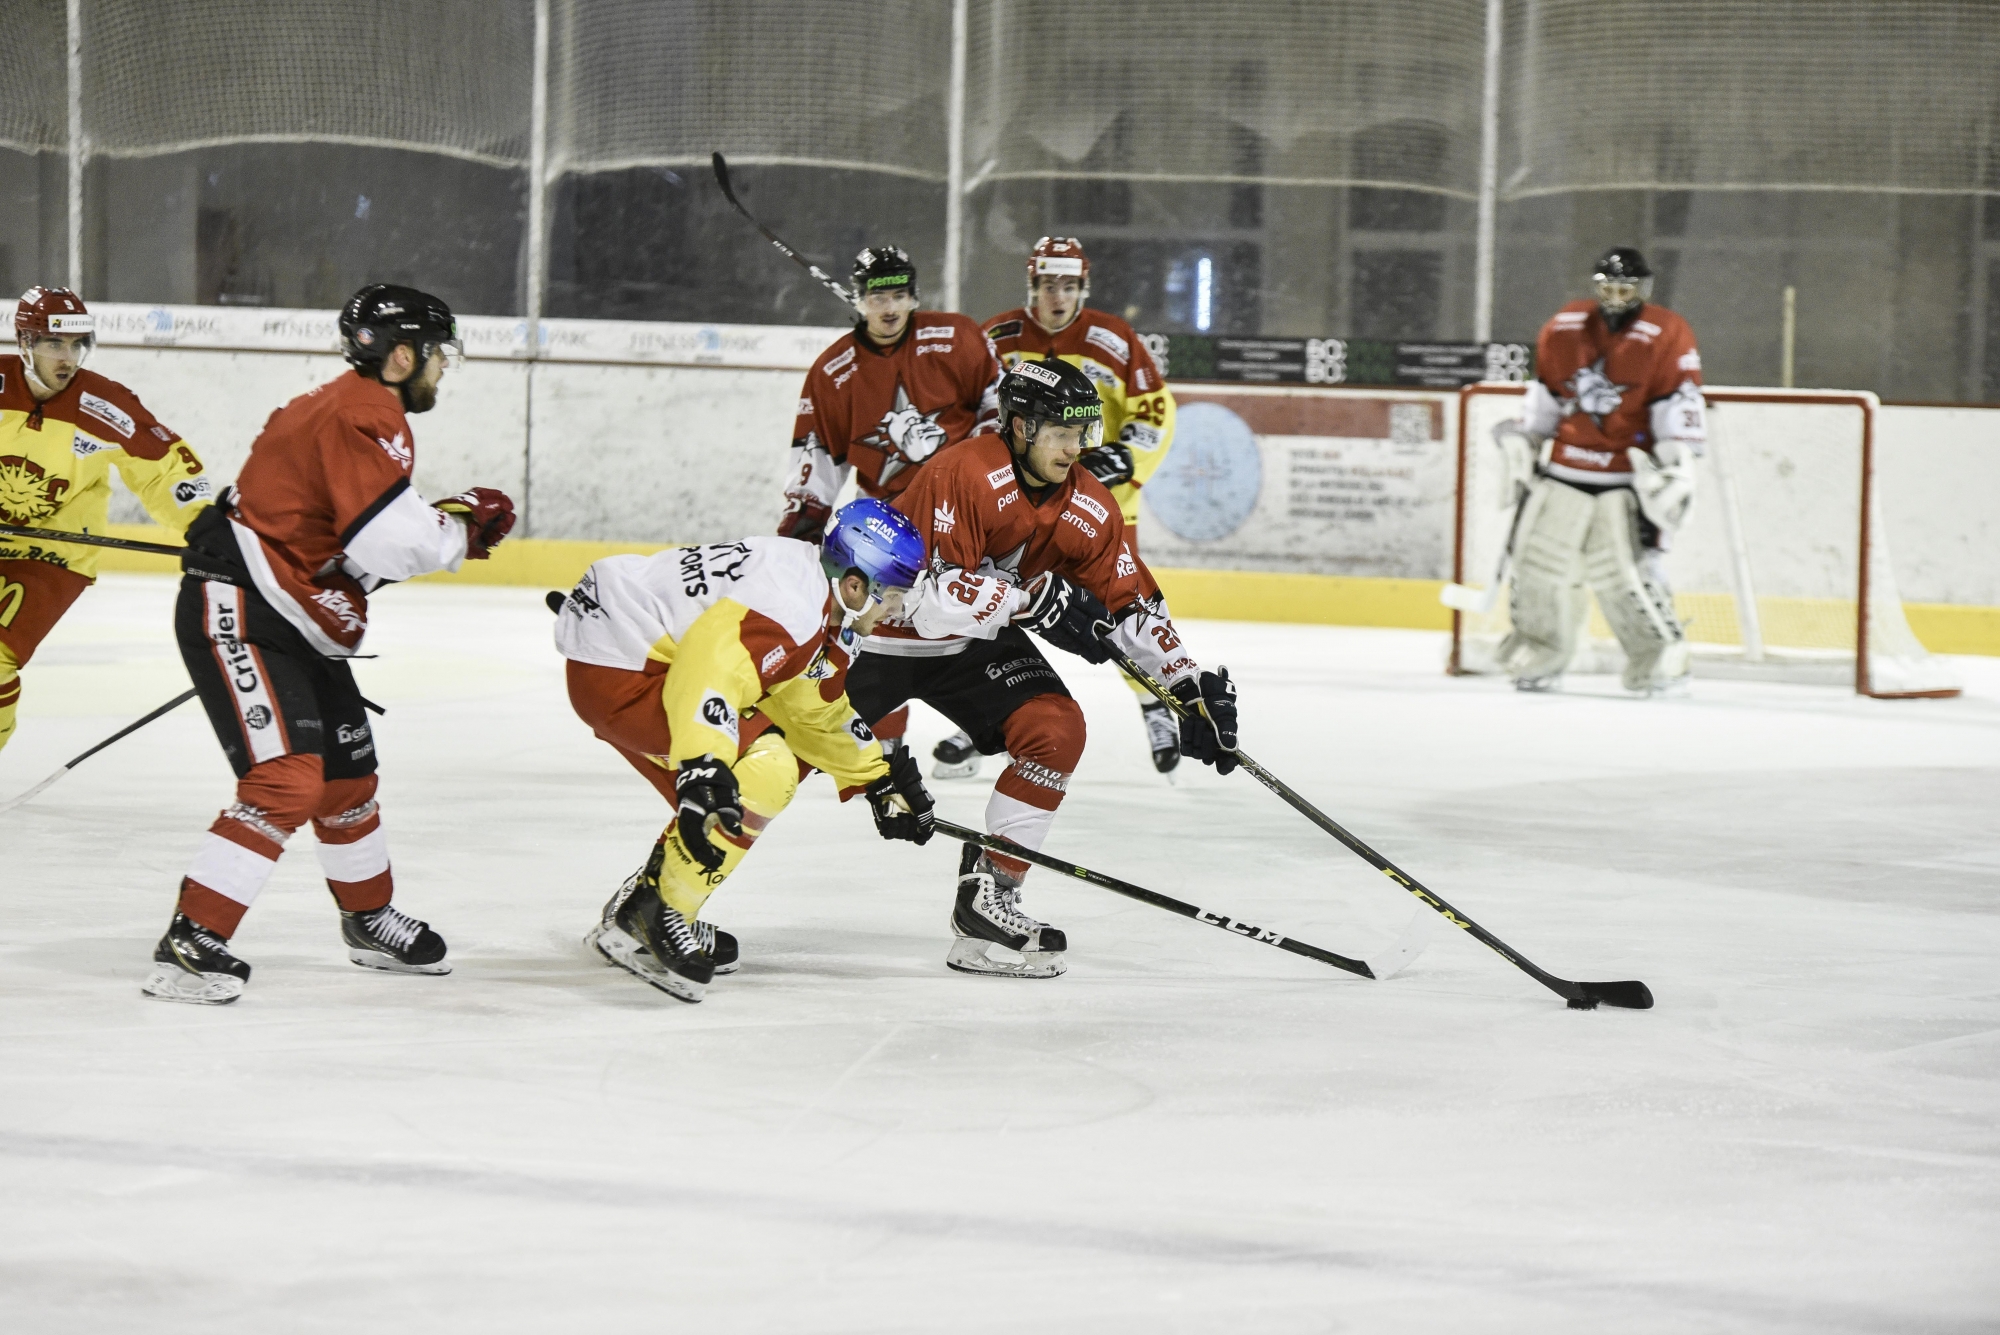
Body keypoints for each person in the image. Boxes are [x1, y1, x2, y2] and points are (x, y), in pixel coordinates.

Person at [144, 284, 518, 1005]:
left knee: (347, 780)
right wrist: (458, 533)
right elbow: (387, 538)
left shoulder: (345, 403)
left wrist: (446, 527)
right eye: (437, 354)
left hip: (291, 610)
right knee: (286, 780)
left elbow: (355, 535)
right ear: (402, 355)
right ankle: (191, 938)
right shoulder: (364, 411)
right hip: (244, 608)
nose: (442, 368)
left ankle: (367, 917)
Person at [845, 357, 1239, 980]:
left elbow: (1132, 603)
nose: (1074, 447)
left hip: (972, 646)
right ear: (1020, 426)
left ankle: (988, 896)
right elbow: (934, 602)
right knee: (774, 753)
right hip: (880, 637)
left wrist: (1185, 685)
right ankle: (662, 892)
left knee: (1055, 730)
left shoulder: (1090, 503)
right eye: (1060, 432)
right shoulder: (964, 469)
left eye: (1081, 433)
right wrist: (1032, 601)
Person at [561, 499, 938, 1003]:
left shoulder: (810, 588)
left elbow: (808, 707)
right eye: (890, 596)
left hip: (628, 650)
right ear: (855, 584)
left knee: (748, 776)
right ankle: (652, 915)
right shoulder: (792, 606)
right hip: (623, 672)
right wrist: (703, 763)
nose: (895, 610)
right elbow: (711, 667)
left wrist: (876, 775)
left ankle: (652, 901)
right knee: (765, 771)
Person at [931, 236, 1182, 780]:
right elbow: (977, 411)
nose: (1057, 296)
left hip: (1098, 505)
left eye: (1068, 285)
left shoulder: (1112, 337)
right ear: (1033, 286)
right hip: (1014, 503)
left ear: (1083, 287)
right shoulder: (998, 335)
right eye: (1048, 284)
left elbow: (1156, 412)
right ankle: (992, 712)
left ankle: (1155, 702)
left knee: (1121, 607)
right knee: (996, 597)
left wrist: (1125, 457)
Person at [778, 243, 1003, 757]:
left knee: (982, 618)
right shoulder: (833, 371)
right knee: (882, 637)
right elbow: (818, 460)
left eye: (900, 296)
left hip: (965, 511)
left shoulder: (959, 338)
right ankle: (887, 750)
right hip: (886, 527)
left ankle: (982, 727)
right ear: (859, 300)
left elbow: (1001, 403)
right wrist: (801, 530)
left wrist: (990, 471)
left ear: (914, 297)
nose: (890, 308)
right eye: (879, 298)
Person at [0, 286, 213, 756]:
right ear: (25, 343)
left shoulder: (103, 404)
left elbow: (164, 470)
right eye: (55, 343)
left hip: (53, 553)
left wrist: (206, 527)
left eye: (78, 345)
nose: (68, 357)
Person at [1497, 246, 1706, 694]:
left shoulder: (1665, 333)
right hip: (1565, 470)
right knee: (1537, 568)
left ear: (1642, 289)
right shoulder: (1564, 328)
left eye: (1625, 287)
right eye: (1608, 286)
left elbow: (1678, 403)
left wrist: (1677, 465)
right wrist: (1524, 439)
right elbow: (1546, 401)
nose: (1615, 296)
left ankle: (1662, 657)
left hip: (1627, 478)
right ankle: (1544, 651)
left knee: (1627, 577)